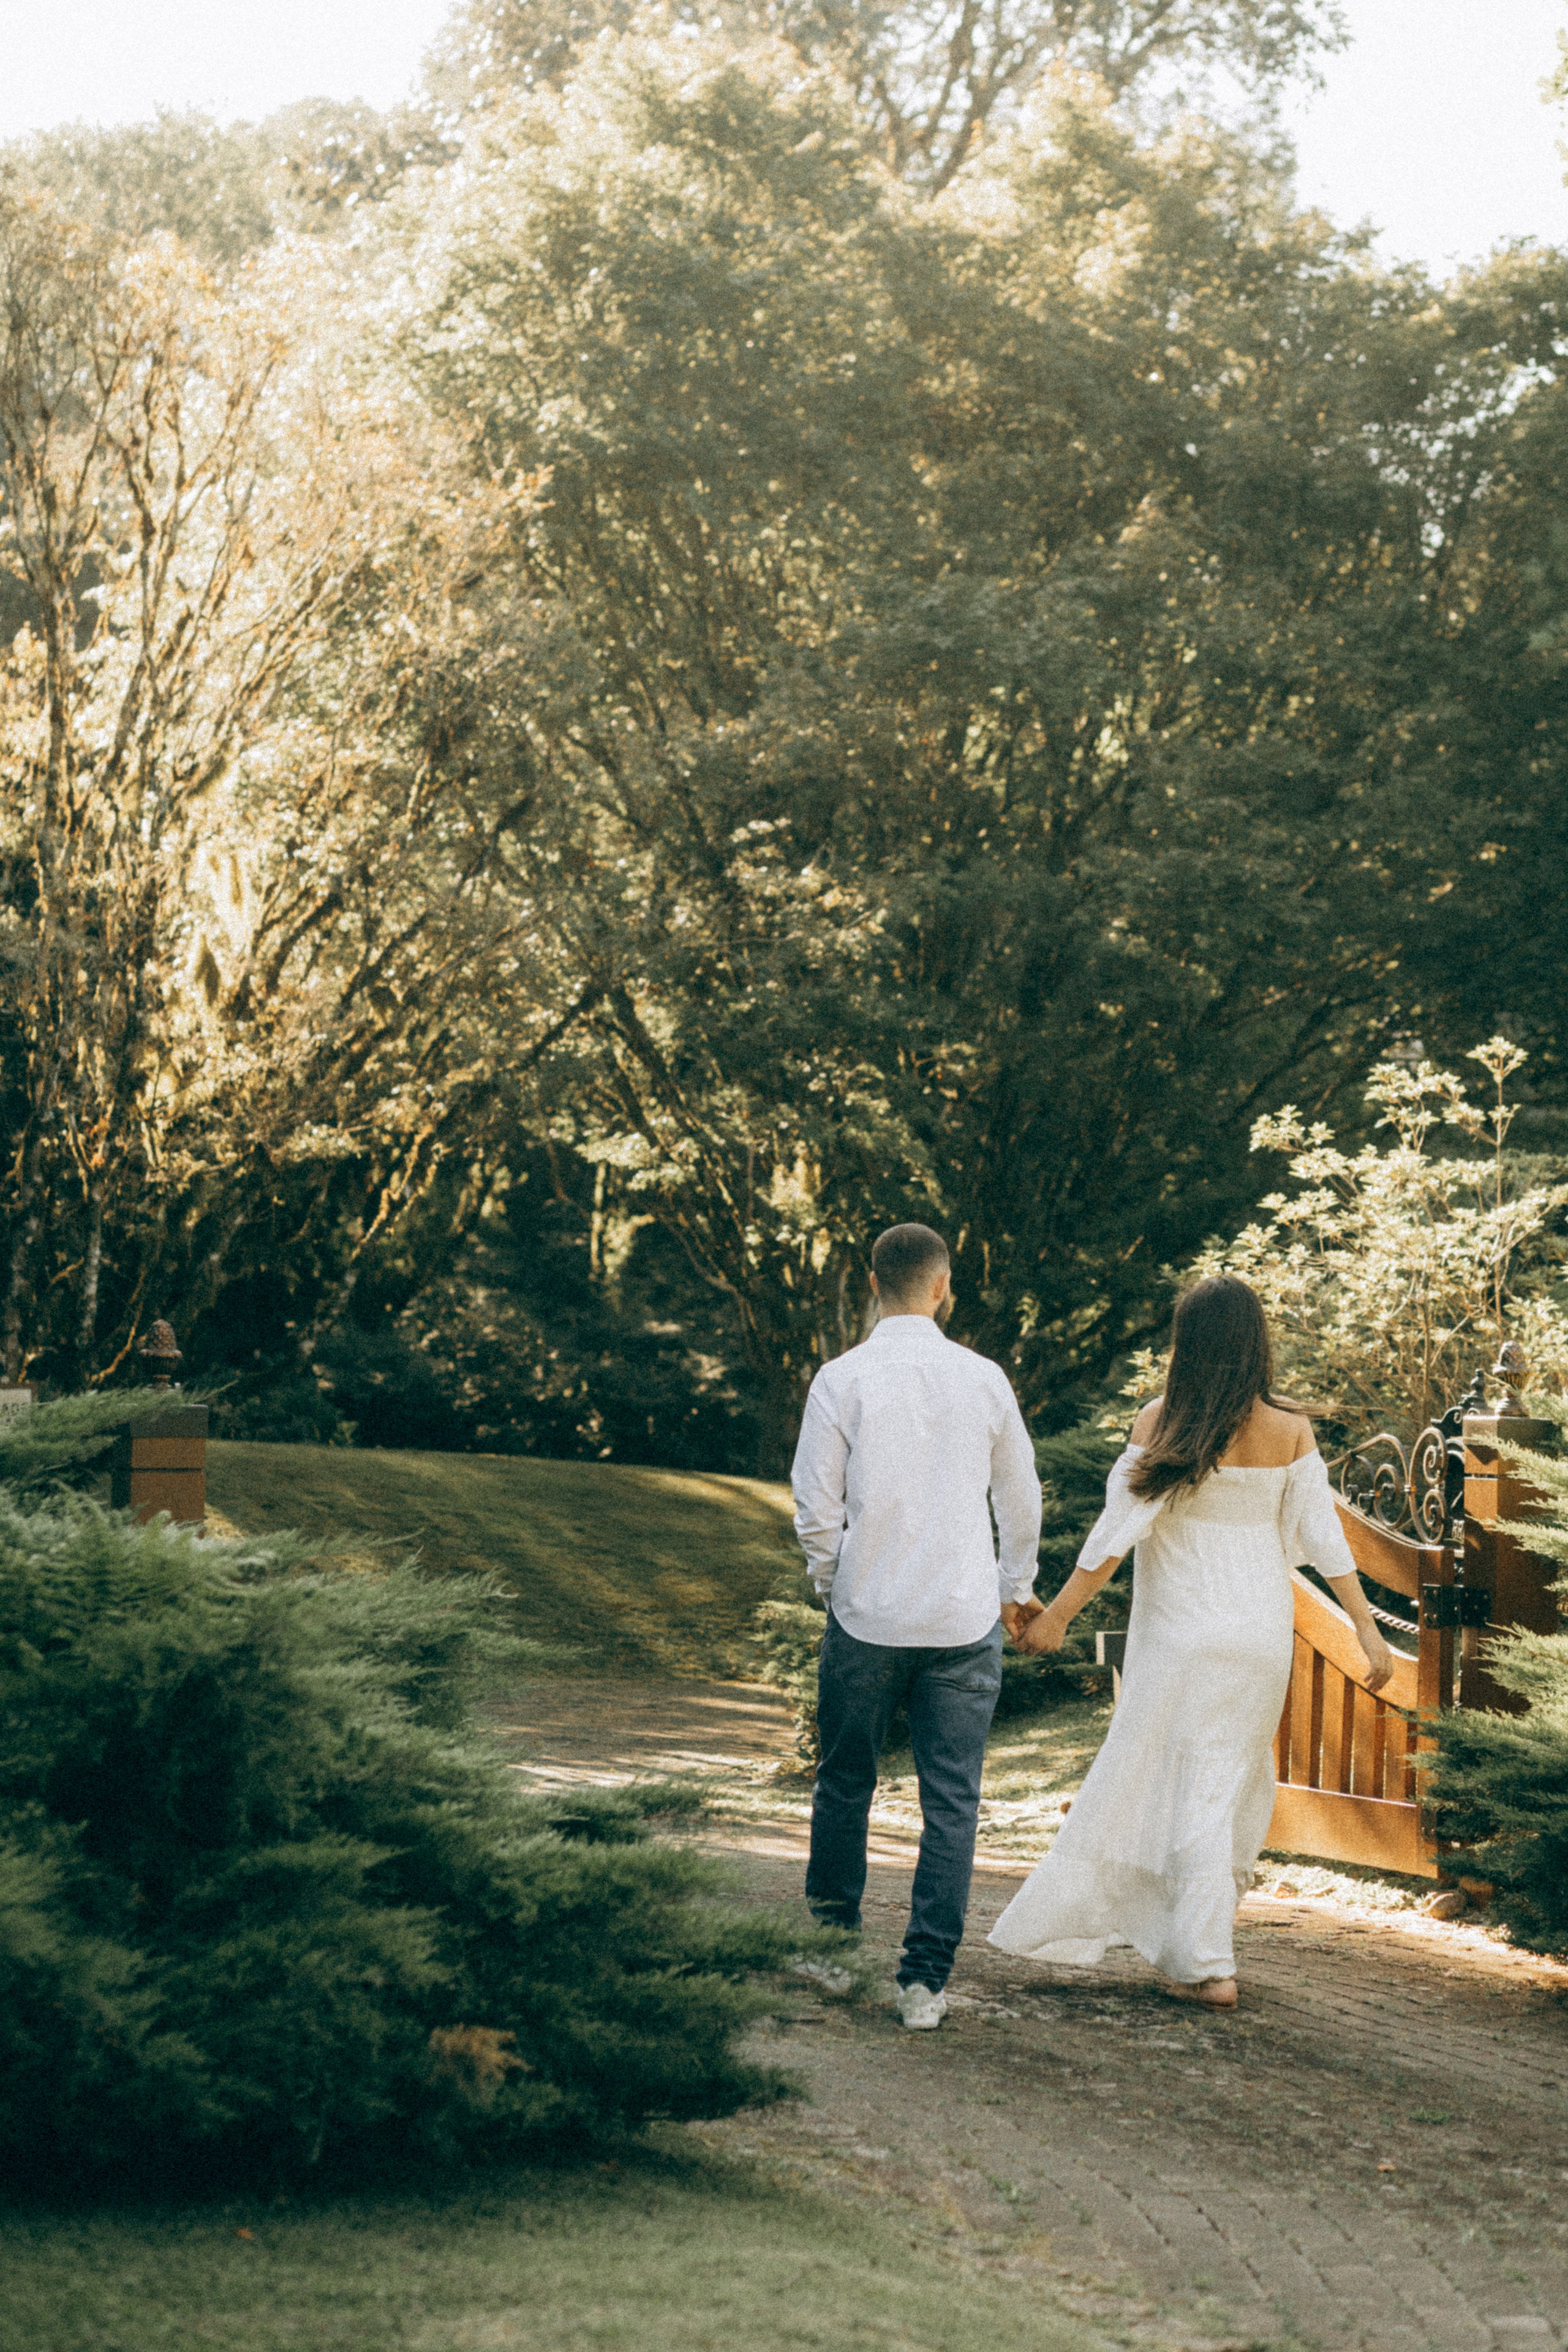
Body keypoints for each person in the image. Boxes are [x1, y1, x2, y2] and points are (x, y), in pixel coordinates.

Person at [989, 1273, 1393, 2010]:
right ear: (1254, 1342)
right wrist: (1367, 1631)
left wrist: (1058, 1618)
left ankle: (1205, 1963)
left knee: (1176, 1780)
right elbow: (1325, 1542)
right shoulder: (1289, 1428)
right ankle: (1196, 1948)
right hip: (1257, 1632)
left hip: (1182, 1631)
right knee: (1222, 1782)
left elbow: (1114, 1538)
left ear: (1187, 1344)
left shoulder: (1160, 1422)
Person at [791, 1223, 1044, 2030]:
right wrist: (1017, 1587)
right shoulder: (983, 1379)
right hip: (964, 1616)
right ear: (942, 1288)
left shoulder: (843, 1378)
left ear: (874, 1284)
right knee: (952, 1801)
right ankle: (923, 1984)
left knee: (844, 1778)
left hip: (868, 1614)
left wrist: (839, 1582)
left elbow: (815, 1511)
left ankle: (832, 1956)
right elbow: (1022, 1497)